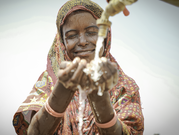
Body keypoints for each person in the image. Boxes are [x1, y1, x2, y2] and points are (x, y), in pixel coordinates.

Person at [12, 0, 144, 135]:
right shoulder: (49, 81)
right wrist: (62, 90)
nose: (82, 42)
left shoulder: (124, 86)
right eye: (72, 35)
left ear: (105, 37)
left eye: (92, 32)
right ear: (62, 42)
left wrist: (99, 98)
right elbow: (33, 132)